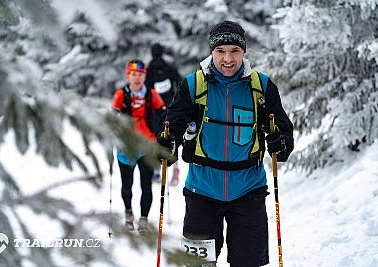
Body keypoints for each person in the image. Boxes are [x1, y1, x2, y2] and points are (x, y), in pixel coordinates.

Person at [157, 21, 294, 266]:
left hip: (248, 191)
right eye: (221, 51)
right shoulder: (193, 85)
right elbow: (173, 125)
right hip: (202, 191)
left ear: (244, 52)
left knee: (248, 263)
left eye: (234, 51)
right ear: (212, 52)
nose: (228, 59)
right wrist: (167, 143)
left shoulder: (261, 87)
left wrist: (279, 142)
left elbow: (283, 136)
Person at [111, 59, 166, 232]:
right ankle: (128, 214)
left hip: (147, 146)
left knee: (146, 185)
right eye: (134, 74)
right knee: (127, 185)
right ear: (128, 75)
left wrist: (164, 132)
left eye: (140, 74)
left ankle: (143, 220)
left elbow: (164, 114)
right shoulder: (121, 95)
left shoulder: (151, 94)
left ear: (145, 76)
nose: (137, 78)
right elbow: (112, 119)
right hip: (126, 148)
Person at [146, 43, 183, 186]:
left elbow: (147, 91)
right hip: (170, 108)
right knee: (171, 137)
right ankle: (175, 171)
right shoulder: (170, 68)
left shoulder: (148, 71)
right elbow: (180, 83)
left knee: (156, 137)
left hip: (155, 110)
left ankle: (156, 171)